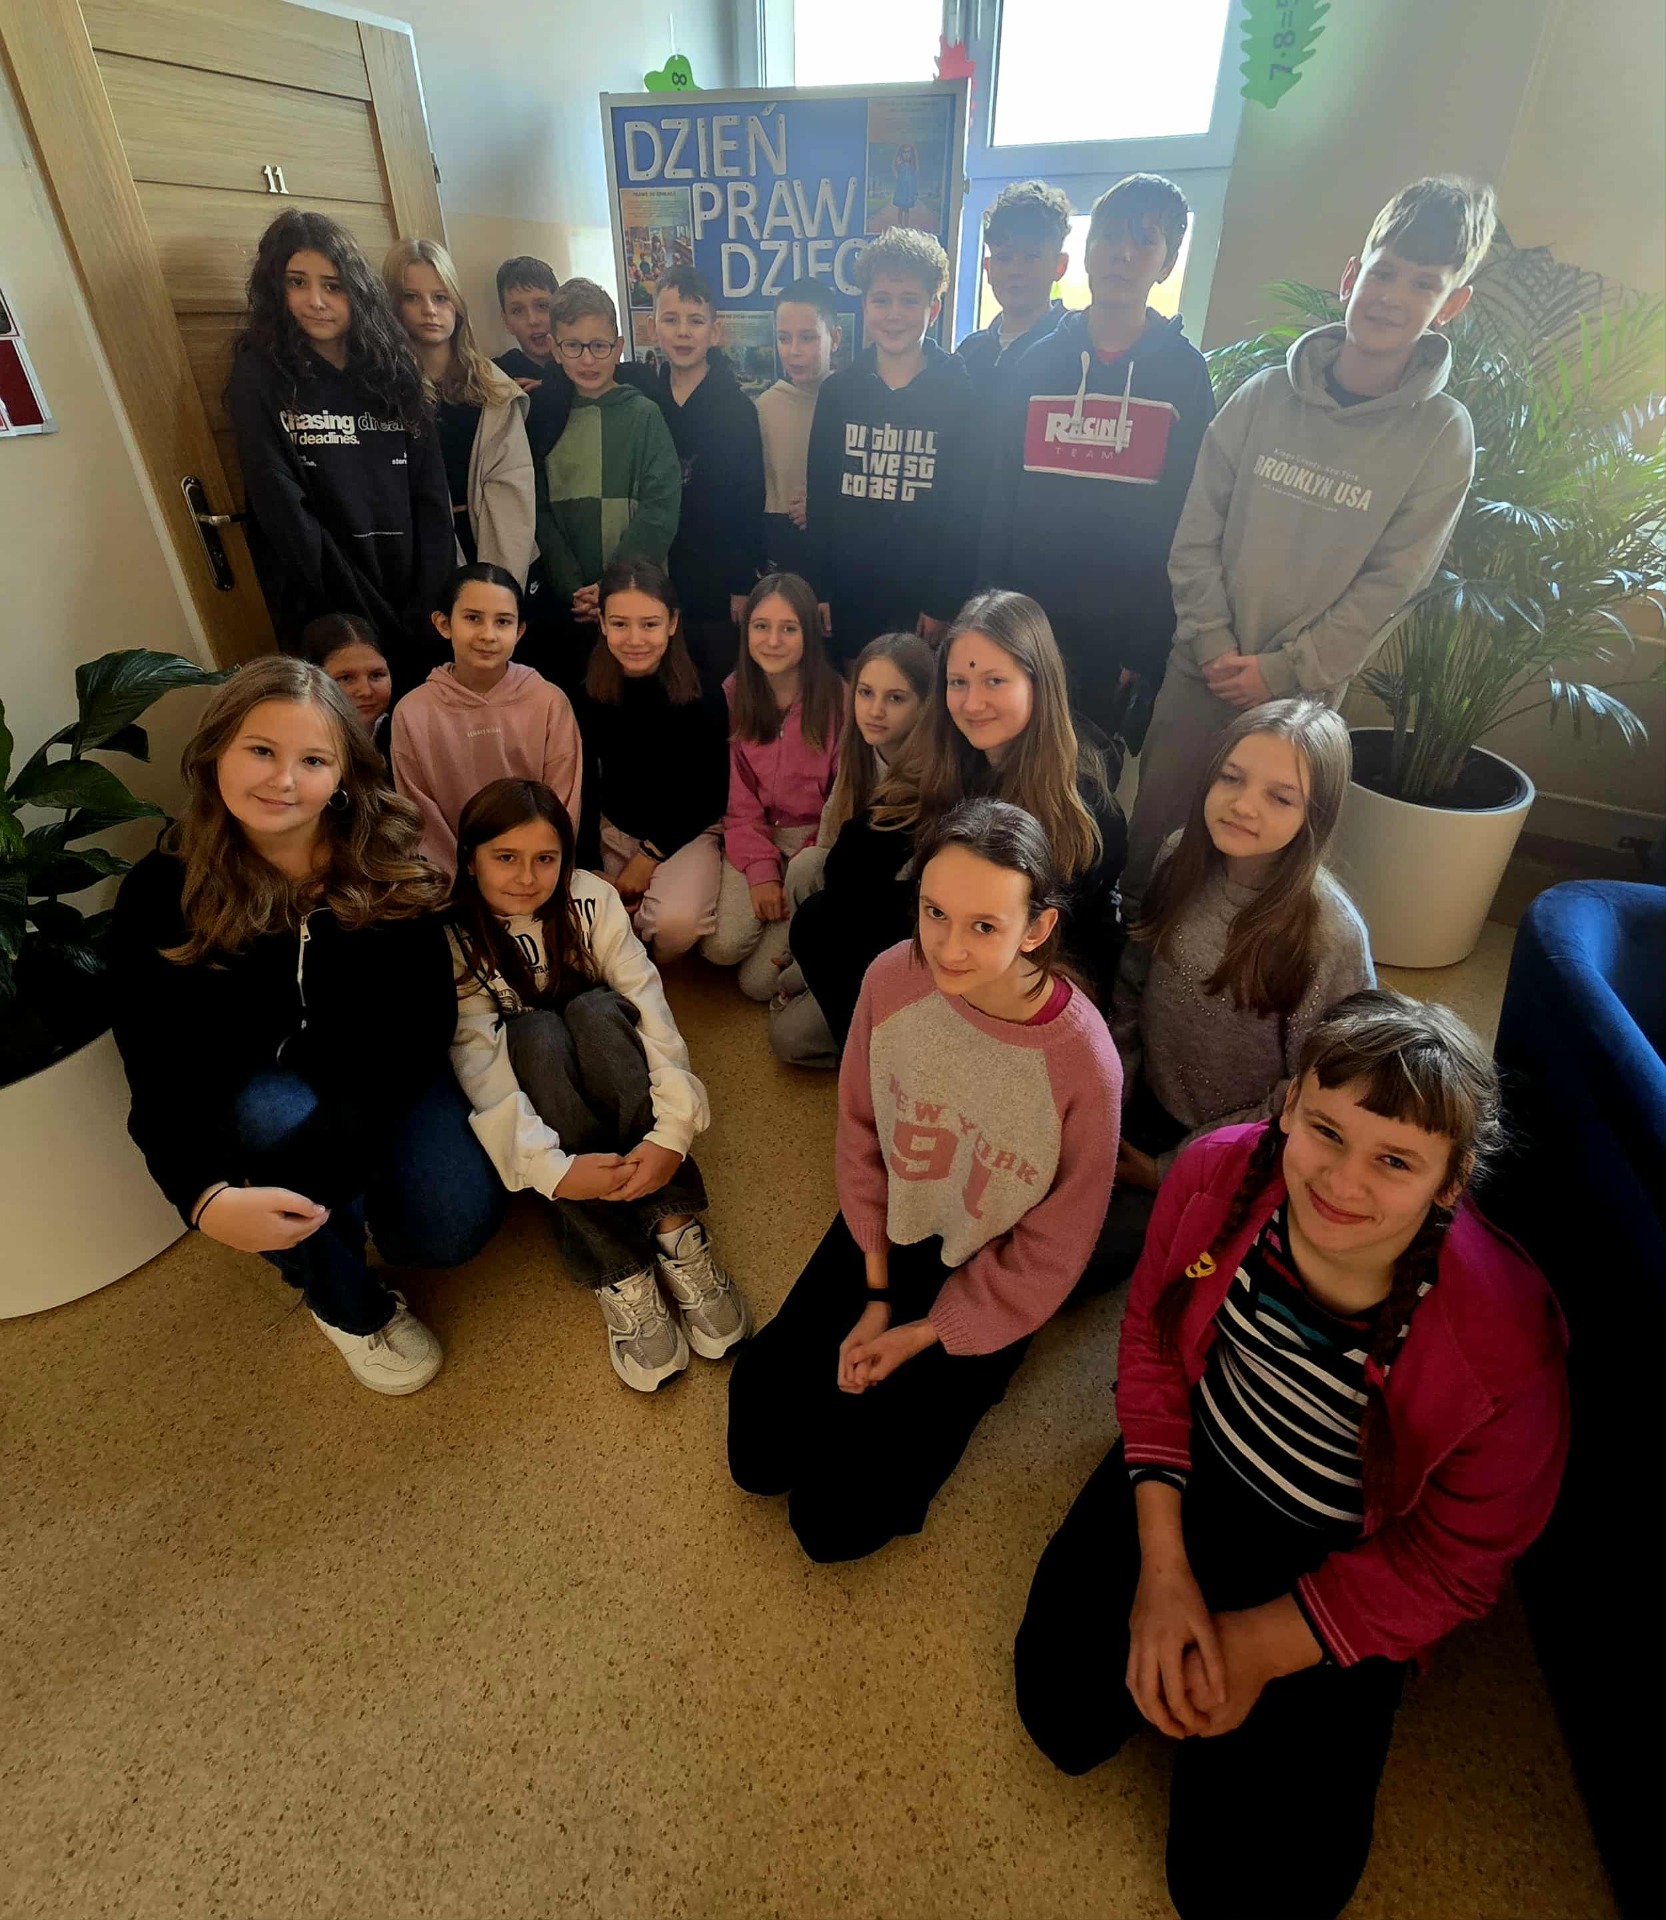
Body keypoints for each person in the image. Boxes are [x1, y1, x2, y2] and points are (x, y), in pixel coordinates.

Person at [1014, 990, 1569, 1920]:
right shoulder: (1214, 1177)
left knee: (1251, 1894)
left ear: (1452, 1180)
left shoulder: (1506, 1344)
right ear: (1288, 1107)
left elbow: (1455, 1562)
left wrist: (1261, 1646)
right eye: (1326, 1132)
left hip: (1349, 1552)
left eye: (1394, 1160)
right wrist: (1162, 1568)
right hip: (1200, 1469)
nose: (1343, 1184)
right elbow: (1152, 1346)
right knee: (1058, 1715)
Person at [728, 798, 1122, 1562]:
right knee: (758, 1451)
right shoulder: (891, 979)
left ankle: (982, 1370)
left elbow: (1052, 1249)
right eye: (934, 912)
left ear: (1037, 928)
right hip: (893, 1227)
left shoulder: (1085, 1066)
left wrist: (923, 1334)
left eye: (984, 925)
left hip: (990, 1266)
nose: (948, 947)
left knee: (832, 1522)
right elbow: (860, 1134)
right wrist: (877, 1294)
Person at [109, 657, 505, 1396]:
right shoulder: (159, 893)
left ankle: (328, 1204)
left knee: (451, 1230)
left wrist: (329, 1158)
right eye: (261, 750)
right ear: (216, 752)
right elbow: (154, 1067)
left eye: (313, 760)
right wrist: (202, 1197)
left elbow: (420, 1031)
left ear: (344, 776)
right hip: (261, 1092)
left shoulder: (388, 863)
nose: (283, 780)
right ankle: (349, 1307)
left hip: (381, 1079)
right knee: (271, 1115)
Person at [1122, 178, 1498, 904]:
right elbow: (1195, 530)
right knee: (1156, 845)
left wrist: (1284, 670)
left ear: (1451, 304)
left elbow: (1393, 585)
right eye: (1384, 272)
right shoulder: (1262, 396)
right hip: (1200, 670)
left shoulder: (1442, 435)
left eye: (1423, 284)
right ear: (1352, 276)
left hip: (1302, 699)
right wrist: (1213, 643)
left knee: (1257, 868)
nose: (1393, 297)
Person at [449, 778, 749, 1393]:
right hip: (544, 1087)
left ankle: (673, 1227)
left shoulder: (592, 898)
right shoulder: (454, 936)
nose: (526, 878)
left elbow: (651, 1010)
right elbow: (478, 1063)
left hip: (609, 1058)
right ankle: (621, 1268)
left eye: (546, 858)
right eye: (505, 857)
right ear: (470, 860)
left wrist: (671, 1135)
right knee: (532, 1035)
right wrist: (552, 1170)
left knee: (596, 1009)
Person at [1098, 700, 1374, 1290]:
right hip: (1143, 1100)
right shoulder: (1178, 857)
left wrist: (1168, 1168)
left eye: (1280, 797)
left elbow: (1312, 1092)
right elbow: (1132, 984)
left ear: (1316, 814)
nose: (1244, 805)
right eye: (1231, 777)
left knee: (1092, 1260)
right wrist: (1112, 1092)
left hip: (1238, 1145)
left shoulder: (1329, 935)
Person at [790, 589, 1125, 1053]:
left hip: (1026, 964)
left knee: (797, 1028)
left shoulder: (1084, 801)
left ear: (1038, 682)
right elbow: (853, 860)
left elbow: (1055, 944)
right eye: (958, 683)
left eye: (994, 681)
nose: (972, 703)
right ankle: (884, 1057)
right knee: (817, 926)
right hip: (950, 929)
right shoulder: (952, 753)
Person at [978, 174, 1215, 735]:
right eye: (1110, 237)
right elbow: (999, 497)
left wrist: (1147, 642)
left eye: (1144, 242)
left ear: (1166, 263)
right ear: (1087, 251)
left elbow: (1190, 516)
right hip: (1026, 625)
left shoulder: (1184, 375)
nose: (1123, 254)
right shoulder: (1034, 363)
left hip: (1117, 640)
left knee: (1087, 777)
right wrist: (989, 613)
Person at [225, 208, 453, 671]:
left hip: (412, 591)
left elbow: (431, 497)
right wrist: (362, 612)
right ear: (276, 288)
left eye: (332, 285)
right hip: (327, 600)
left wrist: (430, 598)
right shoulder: (260, 376)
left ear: (357, 290)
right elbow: (282, 508)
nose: (316, 301)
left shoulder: (395, 369)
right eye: (297, 282)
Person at [805, 228, 982, 663]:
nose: (894, 314)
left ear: (933, 308)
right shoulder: (839, 392)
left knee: (916, 698)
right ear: (865, 306)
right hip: (849, 592)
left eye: (909, 300)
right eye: (881, 300)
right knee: (856, 696)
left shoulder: (960, 392)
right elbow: (821, 496)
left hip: (923, 601)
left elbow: (964, 510)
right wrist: (819, 588)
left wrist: (943, 601)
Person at [770, 630, 934, 1068]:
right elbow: (829, 847)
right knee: (806, 865)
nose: (875, 710)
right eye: (865, 693)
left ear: (925, 705)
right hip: (847, 906)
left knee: (789, 1038)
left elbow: (885, 906)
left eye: (895, 698)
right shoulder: (861, 751)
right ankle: (809, 973)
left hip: (892, 932)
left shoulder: (932, 778)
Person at [574, 556, 729, 962]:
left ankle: (640, 934)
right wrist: (588, 863)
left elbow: (710, 793)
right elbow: (583, 781)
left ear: (672, 623)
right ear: (602, 623)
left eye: (649, 624)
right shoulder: (587, 690)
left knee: (674, 926)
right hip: (614, 826)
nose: (635, 639)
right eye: (620, 624)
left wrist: (648, 858)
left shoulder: (704, 693)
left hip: (685, 832)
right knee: (583, 918)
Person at [699, 572, 845, 1000]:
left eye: (789, 628)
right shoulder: (731, 694)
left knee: (758, 984)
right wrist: (762, 872)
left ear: (809, 634)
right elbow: (736, 798)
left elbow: (842, 805)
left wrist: (796, 872)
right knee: (720, 947)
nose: (773, 641)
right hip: (752, 833)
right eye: (762, 626)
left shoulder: (840, 700)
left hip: (812, 845)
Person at [533, 277, 681, 691]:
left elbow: (660, 507)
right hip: (573, 601)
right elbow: (538, 509)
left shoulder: (644, 414)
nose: (587, 359)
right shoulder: (545, 418)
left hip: (636, 596)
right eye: (573, 346)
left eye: (599, 345)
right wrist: (574, 587)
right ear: (554, 348)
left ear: (618, 347)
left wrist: (611, 586)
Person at [390, 563, 581, 877]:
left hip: (532, 877)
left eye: (503, 621)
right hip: (451, 882)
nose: (488, 635)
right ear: (443, 623)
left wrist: (529, 870)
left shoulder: (548, 702)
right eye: (473, 618)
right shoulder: (412, 713)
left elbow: (562, 804)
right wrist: (460, 878)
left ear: (519, 631)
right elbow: (419, 814)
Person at [384, 238, 536, 586]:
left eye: (440, 297)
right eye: (412, 297)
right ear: (393, 306)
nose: (429, 310)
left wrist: (498, 587)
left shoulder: (493, 388)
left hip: (496, 548)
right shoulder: (383, 392)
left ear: (456, 304)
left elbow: (514, 492)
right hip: (421, 556)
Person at [650, 266, 766, 687]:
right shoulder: (645, 401)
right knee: (668, 686)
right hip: (659, 579)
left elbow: (749, 500)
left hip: (720, 583)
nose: (683, 332)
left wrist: (742, 583)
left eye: (695, 321)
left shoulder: (738, 410)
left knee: (721, 689)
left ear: (715, 332)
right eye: (671, 319)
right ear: (653, 328)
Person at [756, 278, 842, 582]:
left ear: (834, 338)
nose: (794, 351)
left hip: (839, 557)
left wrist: (824, 506)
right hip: (781, 556)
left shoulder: (854, 404)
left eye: (807, 338)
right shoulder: (764, 408)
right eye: (783, 338)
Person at [955, 180, 1071, 395]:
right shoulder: (968, 354)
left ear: (1060, 266)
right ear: (988, 268)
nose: (1015, 270)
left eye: (1031, 257)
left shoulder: (1075, 346)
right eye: (1004, 258)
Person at [299, 612, 392, 754]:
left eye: (376, 675)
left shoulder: (406, 732)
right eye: (345, 678)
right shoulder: (299, 745)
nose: (366, 691)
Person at [494, 254, 560, 390]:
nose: (532, 320)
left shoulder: (589, 365)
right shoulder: (496, 375)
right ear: (506, 321)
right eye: (518, 311)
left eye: (542, 306)